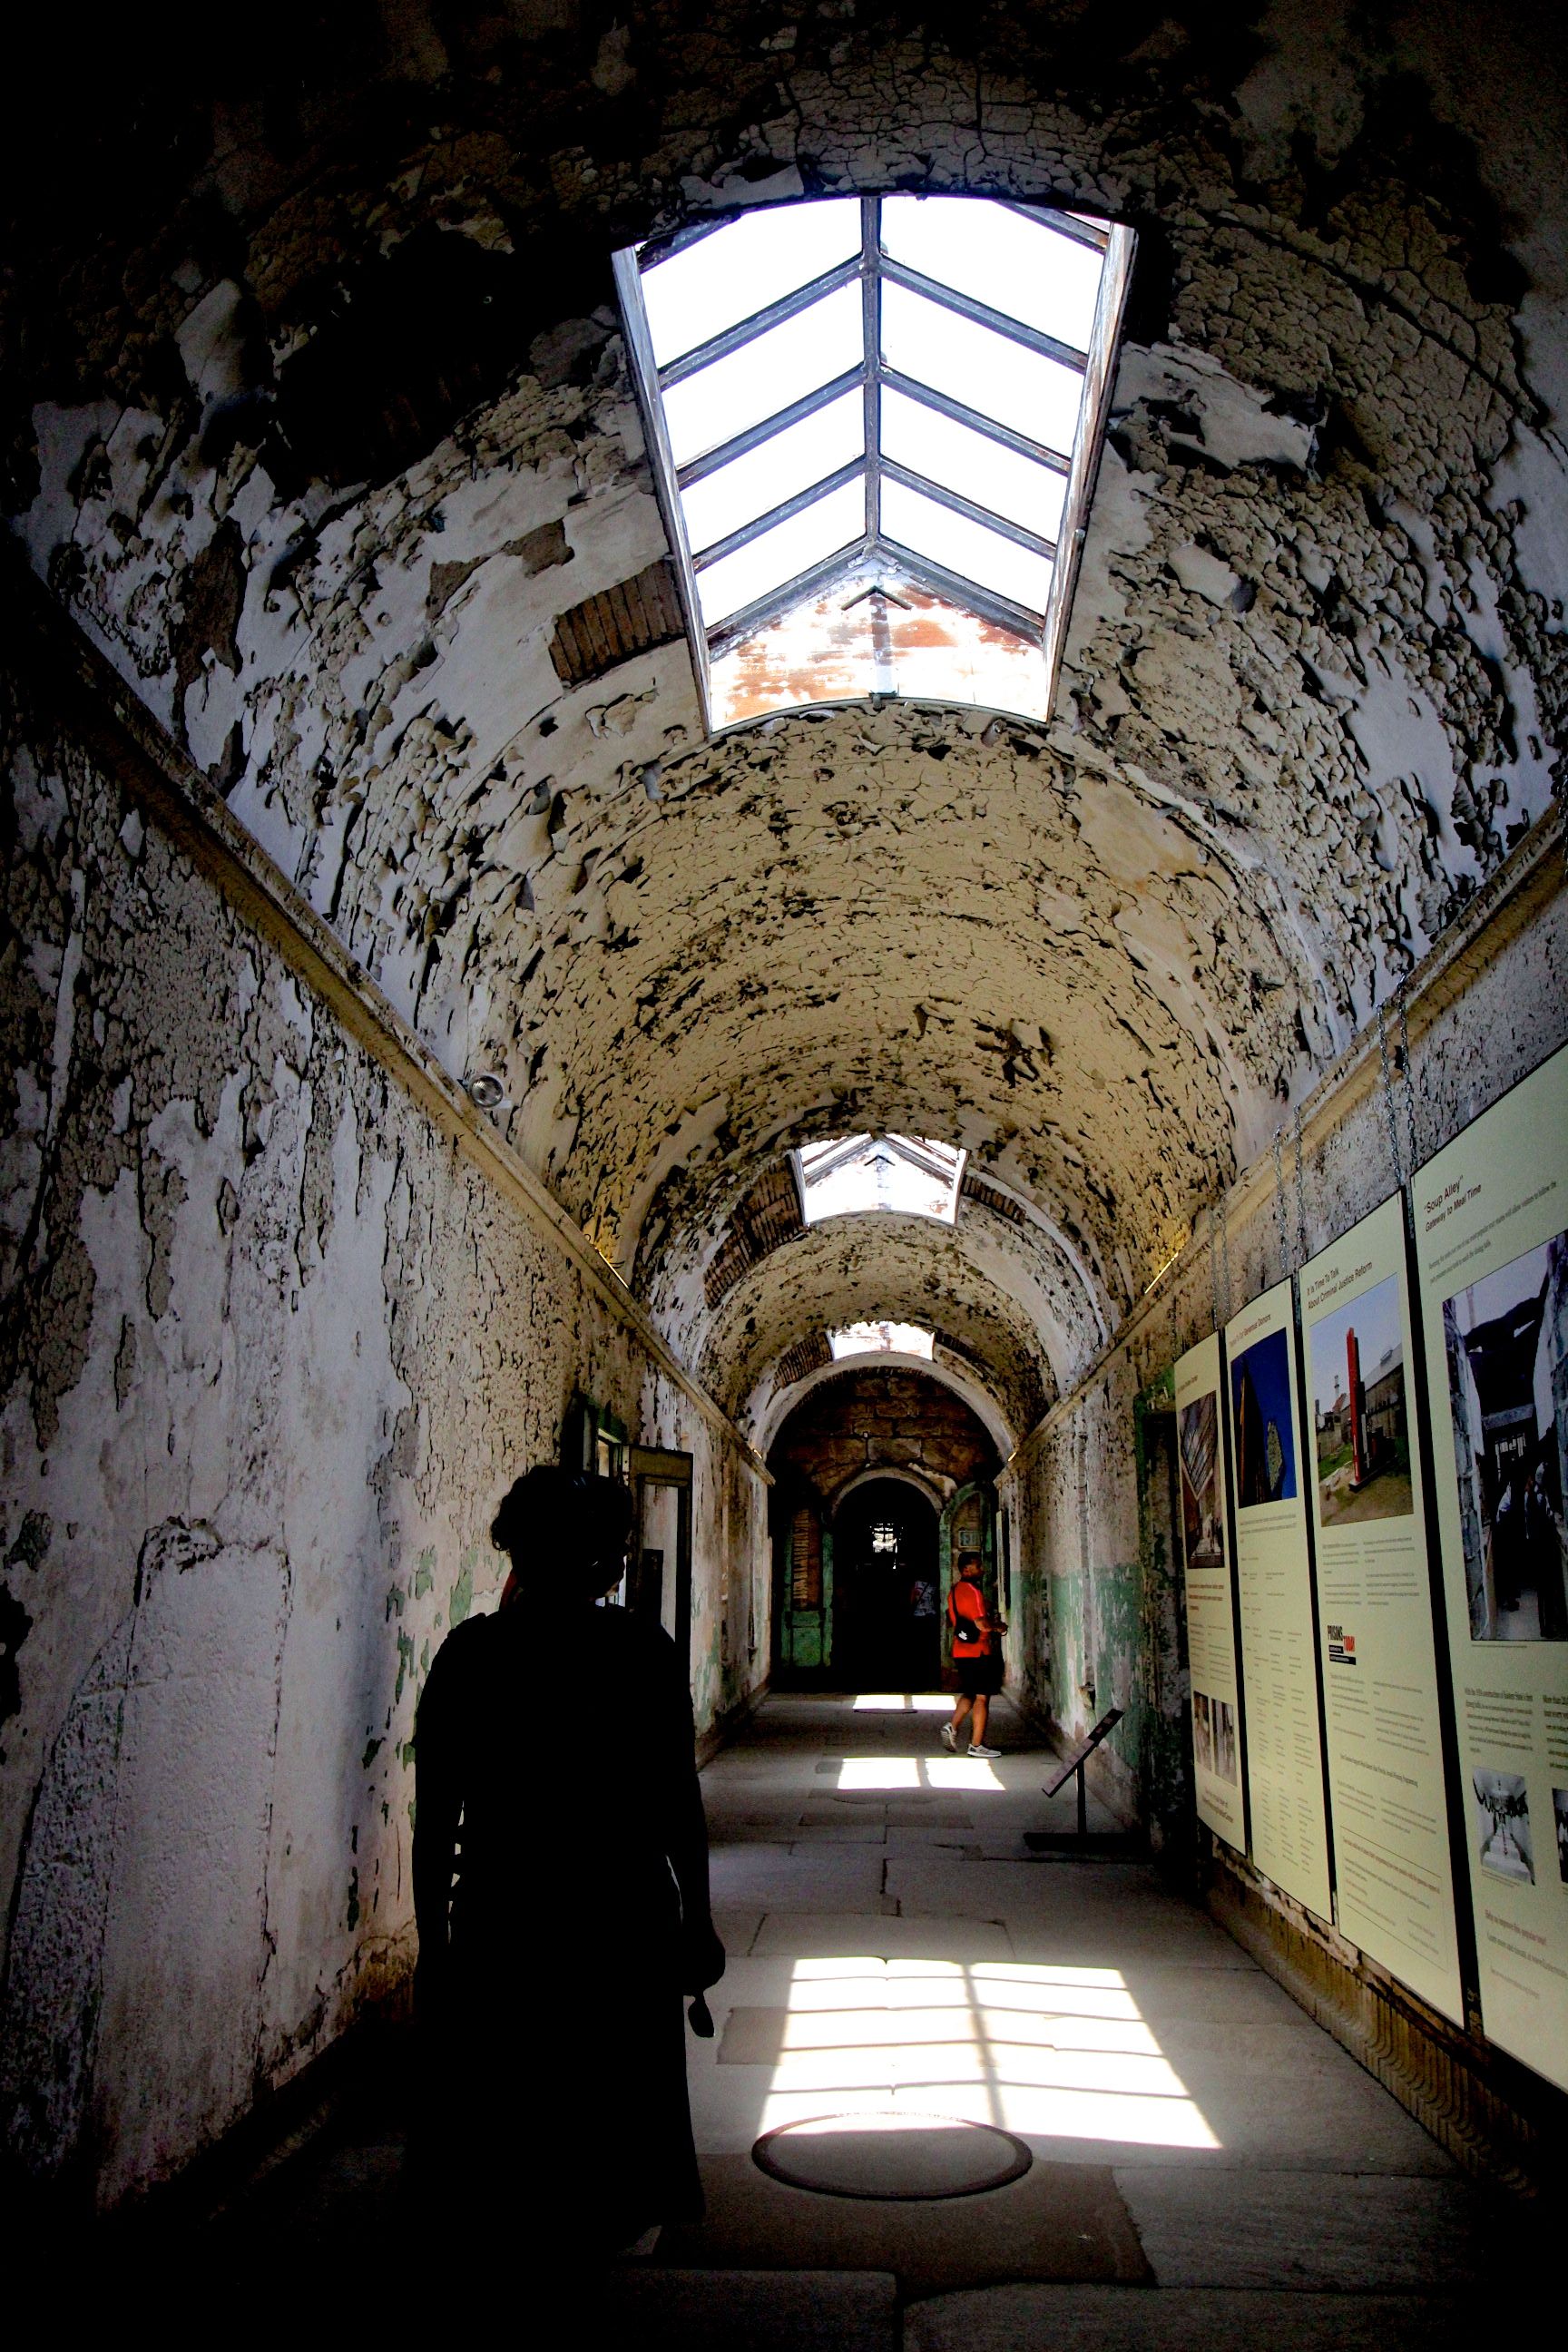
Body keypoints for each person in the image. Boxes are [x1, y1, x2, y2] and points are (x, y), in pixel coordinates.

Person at [411, 1464, 725, 2250]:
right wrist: (697, 1919)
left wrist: (434, 1950)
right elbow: (676, 1803)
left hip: (504, 1915)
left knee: (511, 2121)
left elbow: (436, 1820)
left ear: (516, 1550)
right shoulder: (641, 1652)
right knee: (610, 2115)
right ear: (605, 1560)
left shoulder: (470, 1655)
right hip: (619, 1918)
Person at [941, 1551, 1004, 1759]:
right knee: (982, 1697)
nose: (982, 1570)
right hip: (978, 1651)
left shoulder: (954, 1592)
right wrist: (998, 1627)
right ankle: (976, 1745)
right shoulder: (973, 1592)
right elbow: (981, 1624)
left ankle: (952, 1726)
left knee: (969, 1692)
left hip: (960, 1650)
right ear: (966, 1569)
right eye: (978, 1566)